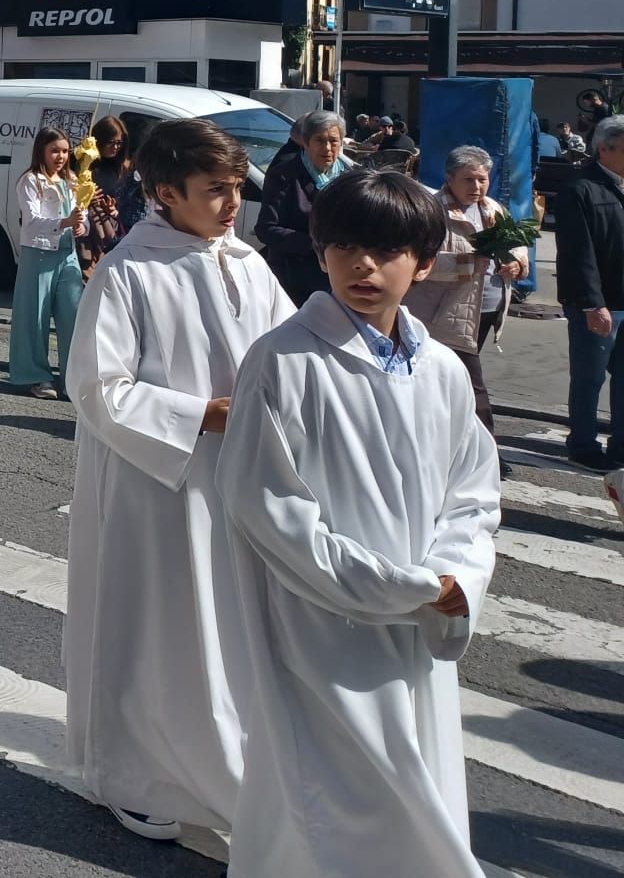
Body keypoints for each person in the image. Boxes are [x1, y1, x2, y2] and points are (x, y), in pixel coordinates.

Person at [216, 170, 499, 877]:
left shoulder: (442, 372)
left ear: (425, 263)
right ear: (319, 252)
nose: (362, 266)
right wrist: (394, 586)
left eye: (385, 249)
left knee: (415, 787)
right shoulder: (282, 362)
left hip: (420, 618)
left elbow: (473, 493)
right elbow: (269, 509)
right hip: (324, 626)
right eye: (343, 245)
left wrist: (454, 577)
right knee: (333, 804)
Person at [64, 119, 295, 842]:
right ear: (166, 193)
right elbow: (98, 387)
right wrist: (201, 415)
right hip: (153, 481)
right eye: (216, 191)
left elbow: (291, 350)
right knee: (153, 624)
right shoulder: (130, 270)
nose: (233, 205)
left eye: (236, 189)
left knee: (224, 628)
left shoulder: (247, 262)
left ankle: (222, 768)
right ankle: (136, 775)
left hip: (232, 477)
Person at [405, 146, 528, 448]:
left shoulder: (493, 209)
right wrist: (470, 263)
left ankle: (449, 444)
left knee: (450, 383)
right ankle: (486, 453)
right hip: (443, 313)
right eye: (468, 179)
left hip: (486, 308)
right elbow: (415, 262)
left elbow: (517, 245)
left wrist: (517, 263)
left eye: (482, 179)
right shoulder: (431, 210)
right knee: (472, 386)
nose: (476, 187)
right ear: (449, 178)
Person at [556, 115, 624, 471]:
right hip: (598, 304)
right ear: (605, 148)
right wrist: (592, 303)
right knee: (589, 377)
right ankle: (582, 443)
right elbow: (578, 254)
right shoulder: (580, 188)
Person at [9, 127, 85, 400]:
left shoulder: (72, 180)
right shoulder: (30, 181)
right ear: (41, 150)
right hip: (38, 253)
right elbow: (31, 221)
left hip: (67, 255)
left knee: (73, 315)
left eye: (65, 151)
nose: (61, 156)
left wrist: (80, 227)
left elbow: (81, 215)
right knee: (35, 317)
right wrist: (65, 222)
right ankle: (36, 376)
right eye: (55, 150)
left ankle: (73, 378)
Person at [256, 108, 348, 305]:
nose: (328, 148)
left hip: (339, 276)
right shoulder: (284, 175)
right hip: (295, 279)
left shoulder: (348, 178)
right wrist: (317, 246)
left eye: (333, 141)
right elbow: (266, 229)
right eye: (320, 140)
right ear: (305, 143)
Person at [77, 115, 146, 269]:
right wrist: (85, 195)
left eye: (119, 143)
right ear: (98, 140)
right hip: (87, 230)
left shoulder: (126, 168)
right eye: (111, 143)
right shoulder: (84, 163)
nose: (116, 147)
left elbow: (134, 205)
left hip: (115, 231)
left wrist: (115, 209)